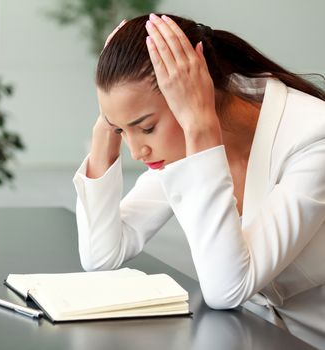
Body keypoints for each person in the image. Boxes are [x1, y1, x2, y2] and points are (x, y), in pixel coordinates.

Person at [73, 13, 325, 348]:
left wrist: (200, 127)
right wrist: (110, 119)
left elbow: (227, 289)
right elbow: (101, 253)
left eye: (146, 127)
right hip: (246, 336)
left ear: (194, 88)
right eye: (124, 130)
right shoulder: (173, 143)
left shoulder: (313, 138)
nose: (137, 151)